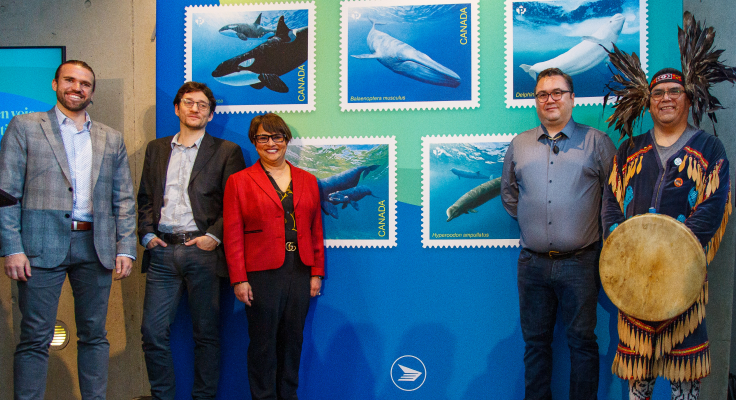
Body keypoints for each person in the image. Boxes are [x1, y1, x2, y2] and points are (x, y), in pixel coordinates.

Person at [0, 60, 137, 399]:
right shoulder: (25, 126)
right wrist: (11, 247)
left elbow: (124, 198)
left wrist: (126, 247)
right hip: (38, 246)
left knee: (94, 335)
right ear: (55, 84)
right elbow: (6, 193)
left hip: (96, 246)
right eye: (70, 80)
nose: (77, 88)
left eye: (85, 83)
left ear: (92, 91)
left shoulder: (111, 137)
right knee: (34, 336)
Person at [602, 68, 731, 399]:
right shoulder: (629, 150)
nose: (666, 98)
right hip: (634, 285)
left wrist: (673, 253)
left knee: (684, 383)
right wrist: (629, 252)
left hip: (683, 284)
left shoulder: (709, 149)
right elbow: (611, 206)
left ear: (688, 98)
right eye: (658, 93)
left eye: (675, 91)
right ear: (648, 103)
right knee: (638, 382)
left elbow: (712, 207)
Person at [501, 67, 616, 400]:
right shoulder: (520, 144)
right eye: (542, 94)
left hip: (581, 262)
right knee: (535, 344)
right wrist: (533, 220)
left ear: (572, 98)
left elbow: (615, 196)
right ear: (535, 101)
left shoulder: (597, 142)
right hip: (532, 265)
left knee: (582, 343)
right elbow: (510, 196)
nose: (549, 99)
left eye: (557, 93)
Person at [137, 81, 245, 399]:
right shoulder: (156, 149)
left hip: (203, 252)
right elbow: (145, 197)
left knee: (206, 335)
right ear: (177, 108)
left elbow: (235, 204)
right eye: (188, 102)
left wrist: (213, 236)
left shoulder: (227, 152)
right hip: (162, 252)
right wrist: (146, 234)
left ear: (211, 114)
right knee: (152, 332)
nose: (195, 108)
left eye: (202, 104)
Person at [223, 113, 324, 400]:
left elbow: (315, 228)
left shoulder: (307, 180)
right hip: (260, 274)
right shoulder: (239, 181)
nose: (271, 143)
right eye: (263, 138)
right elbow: (232, 235)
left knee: (293, 341)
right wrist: (239, 279)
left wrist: (316, 271)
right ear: (254, 142)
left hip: (300, 269)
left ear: (286, 140)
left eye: (277, 136)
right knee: (263, 344)